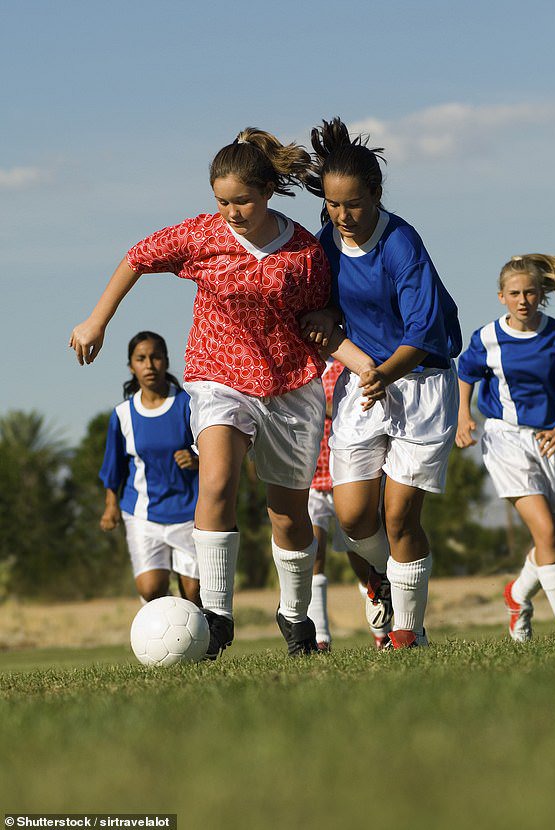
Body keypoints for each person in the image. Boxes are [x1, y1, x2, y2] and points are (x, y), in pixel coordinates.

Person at [70, 128, 335, 659]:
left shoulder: (304, 249)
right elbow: (137, 257)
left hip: (289, 384)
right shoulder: (202, 236)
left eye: (242, 201)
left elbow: (327, 307)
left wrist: (329, 316)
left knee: (287, 513)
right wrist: (97, 319)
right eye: (222, 201)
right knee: (216, 482)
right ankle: (216, 620)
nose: (232, 211)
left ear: (266, 192)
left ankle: (295, 615)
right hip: (219, 377)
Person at [303, 117, 462, 650]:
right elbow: (321, 313)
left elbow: (426, 330)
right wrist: (329, 323)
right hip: (366, 383)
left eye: (352, 203)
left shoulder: (401, 243)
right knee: (352, 516)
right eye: (331, 204)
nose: (342, 216)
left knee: (398, 517)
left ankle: (407, 632)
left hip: (419, 383)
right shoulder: (327, 242)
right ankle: (381, 581)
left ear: (375, 194)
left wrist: (382, 372)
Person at [455, 253, 555, 640]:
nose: (522, 300)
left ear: (542, 295)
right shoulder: (486, 337)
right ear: (501, 296)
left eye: (530, 292)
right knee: (547, 534)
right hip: (505, 438)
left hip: (554, 441)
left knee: (553, 543)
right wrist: (464, 416)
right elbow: (465, 372)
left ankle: (517, 595)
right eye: (514, 293)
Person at [100, 331, 200, 605]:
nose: (149, 365)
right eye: (141, 359)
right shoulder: (122, 415)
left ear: (166, 361)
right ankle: (158, 634)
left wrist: (197, 459)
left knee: (194, 593)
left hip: (190, 511)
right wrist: (111, 506)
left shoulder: (187, 405)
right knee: (151, 588)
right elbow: (114, 466)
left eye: (156, 357)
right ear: (132, 366)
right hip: (143, 513)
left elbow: (214, 450)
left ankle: (200, 639)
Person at [306, 357, 393, 651]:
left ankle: (381, 630)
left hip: (349, 475)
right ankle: (320, 638)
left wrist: (330, 408)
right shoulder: (304, 361)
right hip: (311, 476)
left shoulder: (354, 359)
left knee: (363, 562)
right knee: (313, 554)